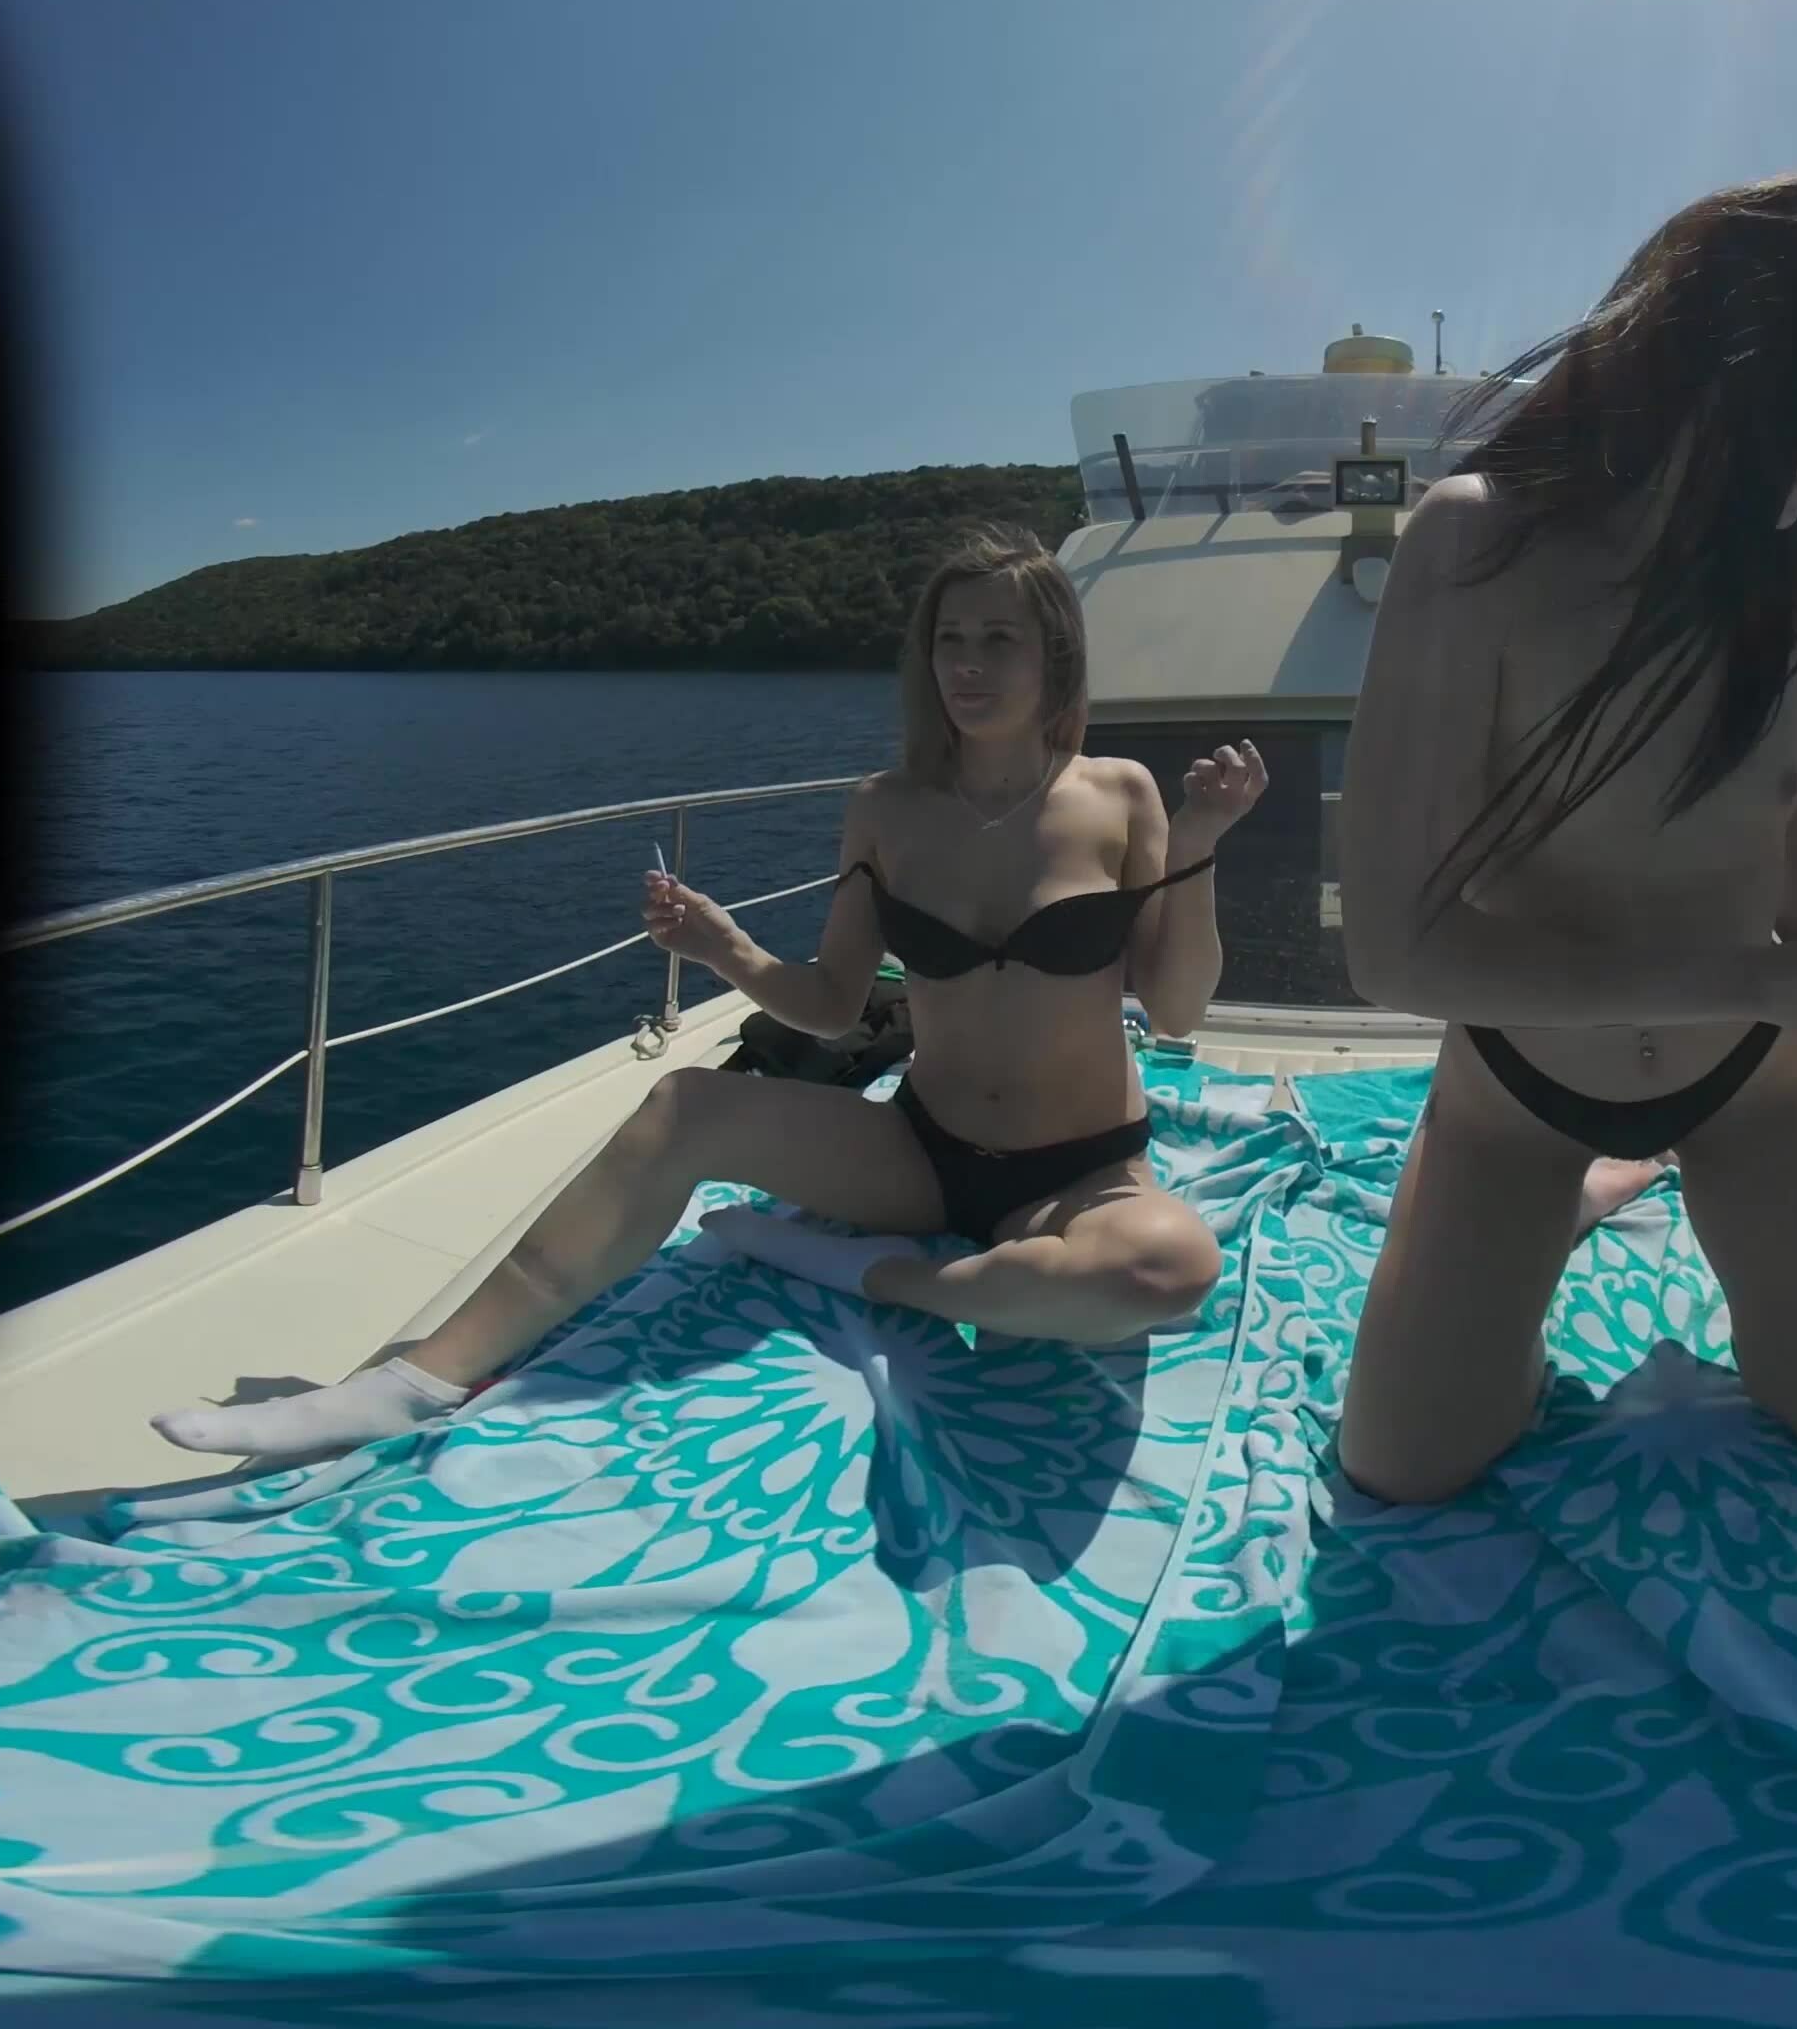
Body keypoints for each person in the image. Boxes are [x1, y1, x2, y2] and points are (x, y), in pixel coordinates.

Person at [149, 525, 1244, 1465]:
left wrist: (1197, 843)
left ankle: (872, 1273)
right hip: (921, 1151)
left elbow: (1179, 1009)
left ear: (1054, 653)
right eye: (949, 639)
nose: (968, 664)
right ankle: (414, 1383)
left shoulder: (1122, 796)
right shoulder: (887, 808)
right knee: (681, 1105)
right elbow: (831, 1005)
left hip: (1080, 1172)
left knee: (1170, 1269)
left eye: (998, 639)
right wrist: (724, 948)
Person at [1329, 173, 1797, 1508]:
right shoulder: (1475, 545)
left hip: (1747, 1079)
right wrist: (1764, 982)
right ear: (1740, 358)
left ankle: (1611, 1195)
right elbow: (1395, 950)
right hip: (1523, 1090)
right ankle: (1569, 1199)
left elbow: (1789, 854)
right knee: (1403, 1466)